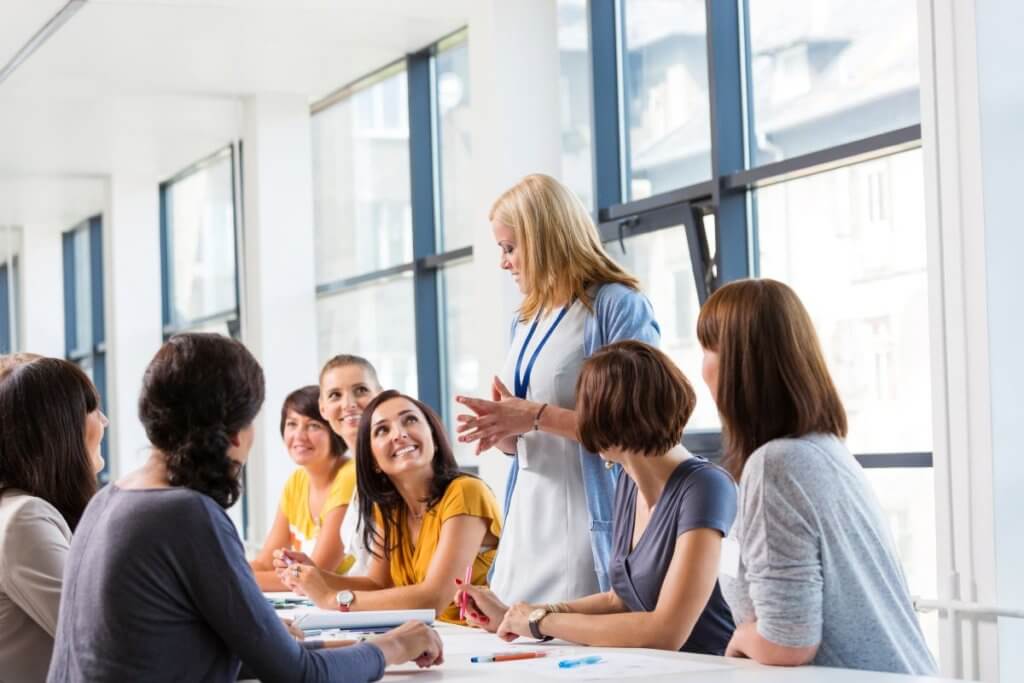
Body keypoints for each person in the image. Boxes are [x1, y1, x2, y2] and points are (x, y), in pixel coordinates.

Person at [47, 334, 442, 682]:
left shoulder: (109, 500)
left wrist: (339, 646)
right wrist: (394, 647)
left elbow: (185, 657)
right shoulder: (185, 514)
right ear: (233, 432)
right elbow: (299, 676)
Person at [696, 279, 936, 674]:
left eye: (709, 348)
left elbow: (788, 641)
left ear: (740, 365)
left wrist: (739, 639)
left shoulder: (777, 466)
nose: (702, 367)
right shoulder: (822, 449)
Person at [455, 173, 660, 605]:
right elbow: (531, 431)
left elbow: (641, 428)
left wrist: (533, 416)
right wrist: (507, 435)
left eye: (510, 248)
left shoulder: (615, 306)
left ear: (545, 239)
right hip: (529, 512)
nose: (504, 263)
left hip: (587, 514)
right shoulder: (525, 318)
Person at [458, 341, 736, 653]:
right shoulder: (629, 483)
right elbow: (618, 600)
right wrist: (515, 615)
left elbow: (666, 631)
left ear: (605, 421)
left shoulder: (705, 487)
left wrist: (538, 622)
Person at [280, 390, 502, 624]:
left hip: (480, 642)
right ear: (373, 460)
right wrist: (315, 576)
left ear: (434, 437)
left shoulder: (466, 492)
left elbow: (433, 598)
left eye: (410, 420)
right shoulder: (390, 509)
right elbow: (377, 584)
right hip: (436, 639)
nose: (399, 434)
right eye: (382, 430)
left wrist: (332, 598)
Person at [0, 355, 106, 683]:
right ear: (60, 428)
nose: (103, 421)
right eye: (90, 409)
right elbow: (101, 640)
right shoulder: (24, 520)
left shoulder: (21, 511)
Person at [250, 386, 355, 590]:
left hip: (358, 610)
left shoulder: (350, 477)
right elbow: (264, 563)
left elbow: (315, 574)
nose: (299, 436)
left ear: (334, 430)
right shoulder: (297, 481)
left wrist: (230, 580)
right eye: (292, 424)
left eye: (313, 426)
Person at [316, 354, 384, 575]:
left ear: (380, 396)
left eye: (361, 390)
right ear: (323, 408)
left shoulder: (391, 470)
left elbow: (384, 581)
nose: (349, 404)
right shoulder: (360, 473)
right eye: (335, 395)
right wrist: (309, 574)